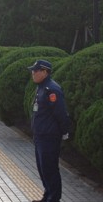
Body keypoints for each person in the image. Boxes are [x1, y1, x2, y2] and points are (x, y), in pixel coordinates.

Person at [28, 60, 70, 202]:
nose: (33, 73)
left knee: (50, 169)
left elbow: (61, 113)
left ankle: (54, 198)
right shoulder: (41, 87)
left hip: (49, 137)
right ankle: (47, 196)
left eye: (36, 70)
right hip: (40, 135)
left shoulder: (52, 89)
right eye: (33, 70)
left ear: (45, 72)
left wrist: (64, 131)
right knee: (42, 169)